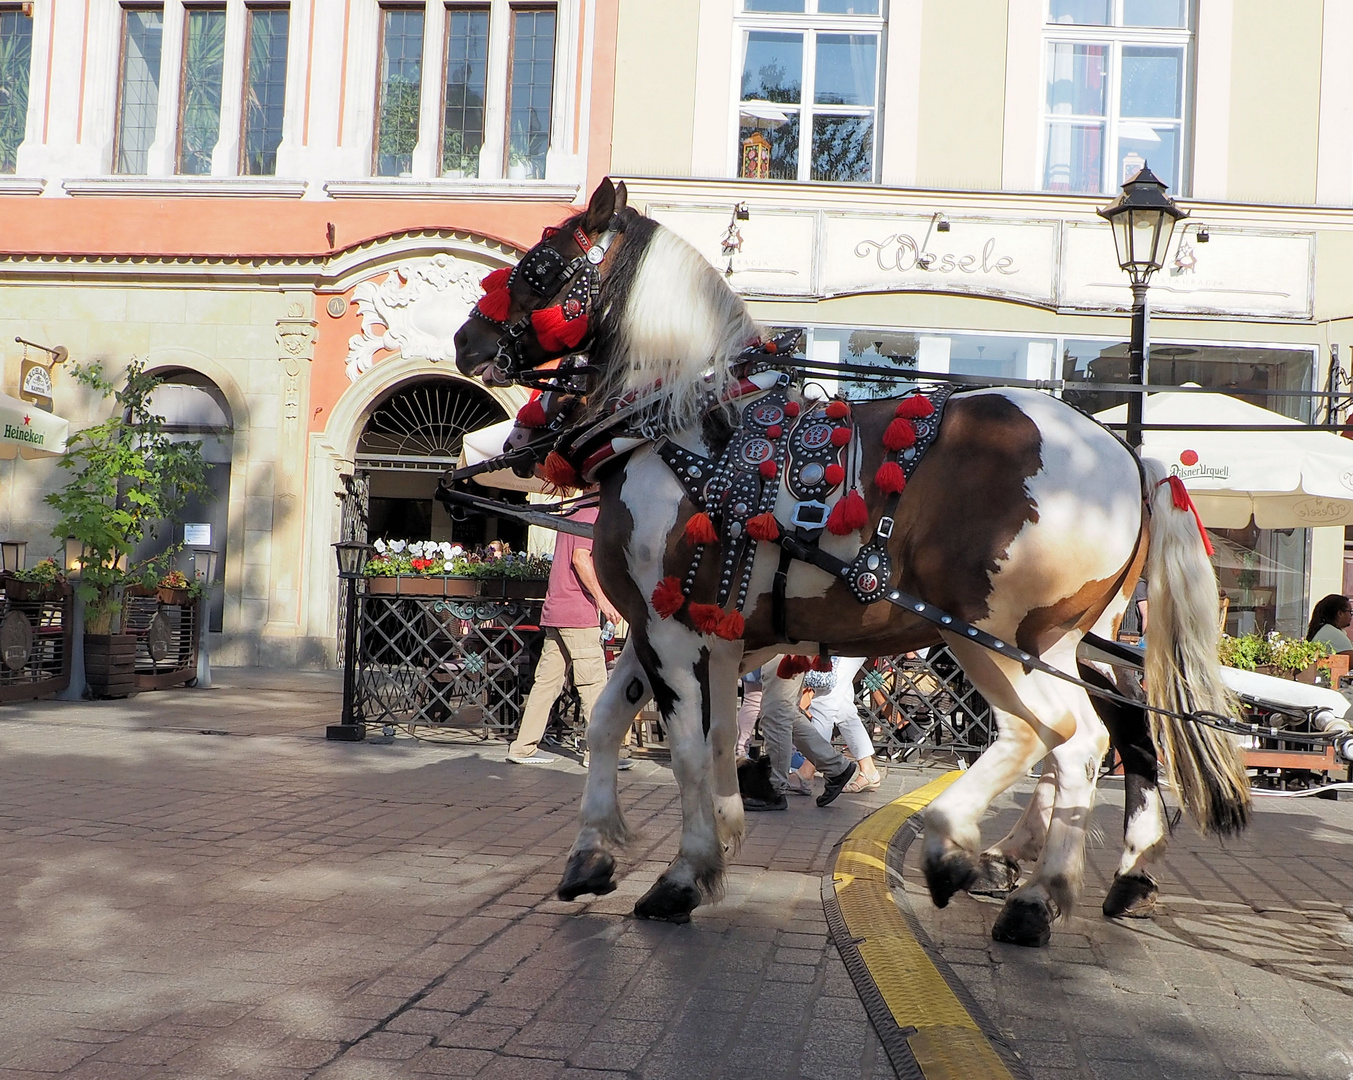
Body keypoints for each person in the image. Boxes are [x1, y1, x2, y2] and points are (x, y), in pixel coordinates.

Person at [506, 501, 627, 766]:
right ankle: (598, 754)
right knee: (593, 684)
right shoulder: (592, 512)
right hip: (577, 612)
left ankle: (523, 747)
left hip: (557, 609)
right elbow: (581, 558)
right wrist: (605, 602)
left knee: (547, 684)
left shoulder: (573, 512)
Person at [743, 656, 856, 811]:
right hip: (786, 648)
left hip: (782, 646)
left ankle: (773, 789)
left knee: (777, 714)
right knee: (784, 714)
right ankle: (836, 766)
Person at [791, 656, 884, 794]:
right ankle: (869, 770)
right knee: (843, 709)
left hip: (845, 645)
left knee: (824, 705)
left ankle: (807, 772)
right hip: (849, 645)